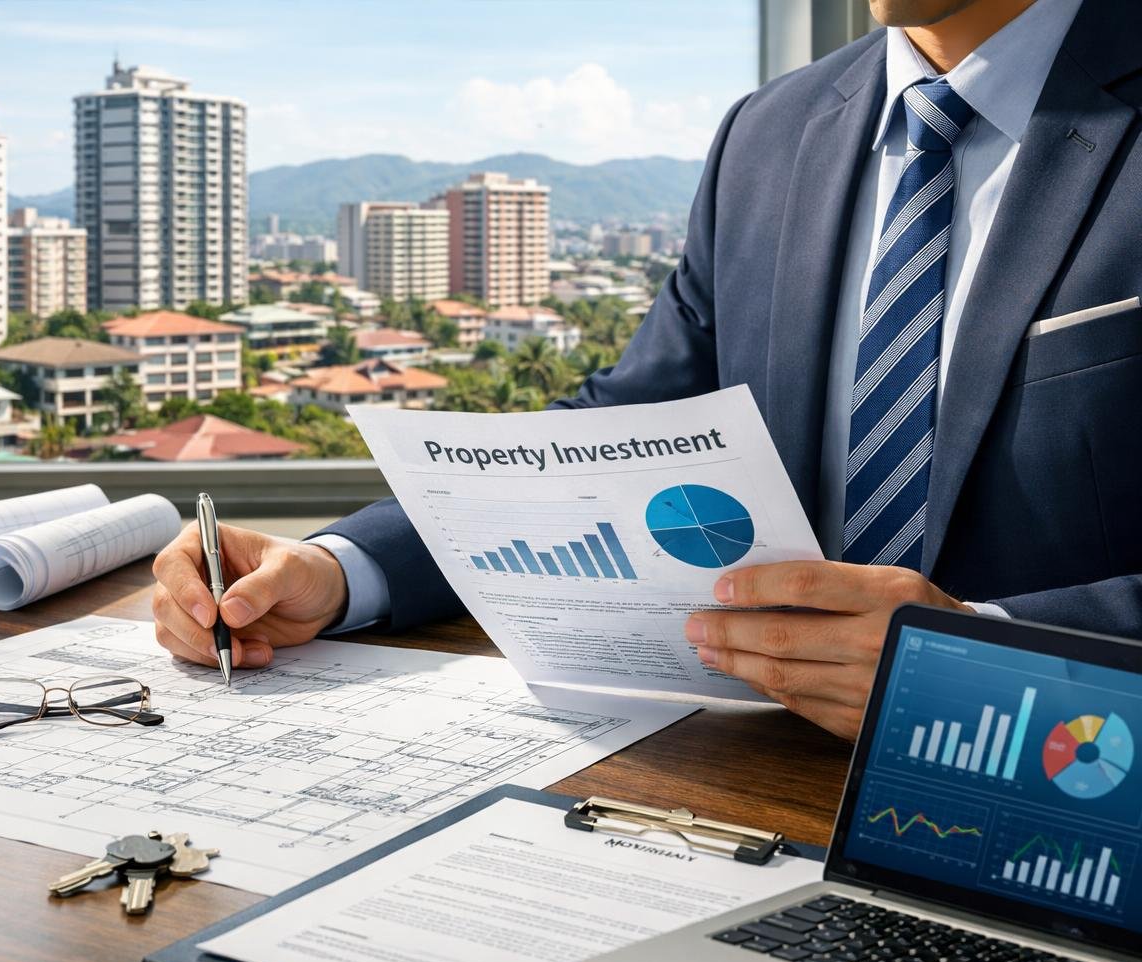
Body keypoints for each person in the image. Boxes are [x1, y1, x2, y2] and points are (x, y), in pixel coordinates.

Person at [154, 0, 1142, 739]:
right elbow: (617, 432)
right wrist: (337, 570)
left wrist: (977, 652)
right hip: (735, 777)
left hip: (1066, 798)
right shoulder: (769, 134)